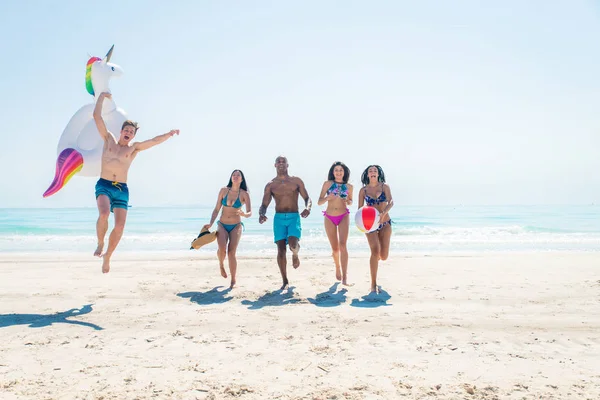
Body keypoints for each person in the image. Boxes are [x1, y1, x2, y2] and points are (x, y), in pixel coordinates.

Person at [93, 92, 180, 273]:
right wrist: (101, 96)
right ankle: (101, 242)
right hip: (104, 184)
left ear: (133, 136)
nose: (128, 133)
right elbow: (97, 117)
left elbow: (154, 141)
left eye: (131, 132)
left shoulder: (134, 148)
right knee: (104, 213)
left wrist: (169, 134)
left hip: (122, 189)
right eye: (126, 130)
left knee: (120, 226)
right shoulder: (108, 139)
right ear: (121, 131)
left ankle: (108, 255)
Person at [259, 156, 311, 290]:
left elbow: (307, 198)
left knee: (293, 244)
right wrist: (262, 214)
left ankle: (295, 254)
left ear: (288, 165)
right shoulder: (271, 185)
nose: (281, 164)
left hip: (294, 217)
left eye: (283, 162)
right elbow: (264, 204)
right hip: (279, 219)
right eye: (278, 162)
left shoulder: (296, 181)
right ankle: (285, 281)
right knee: (281, 250)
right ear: (275, 165)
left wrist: (307, 208)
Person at [202, 170, 252, 288]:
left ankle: (233, 280)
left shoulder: (244, 194)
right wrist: (210, 223)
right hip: (222, 224)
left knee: (231, 252)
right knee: (222, 249)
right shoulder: (224, 190)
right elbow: (217, 209)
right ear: (231, 177)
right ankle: (221, 265)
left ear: (242, 179)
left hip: (236, 226)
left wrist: (244, 214)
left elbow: (250, 212)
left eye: (238, 175)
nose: (235, 177)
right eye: (233, 175)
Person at [357, 165, 394, 293]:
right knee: (374, 251)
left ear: (378, 174)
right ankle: (373, 284)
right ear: (367, 175)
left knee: (383, 256)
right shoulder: (363, 191)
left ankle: (377, 259)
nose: (372, 172)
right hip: (370, 226)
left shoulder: (385, 187)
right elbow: (360, 210)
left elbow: (391, 202)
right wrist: (360, 225)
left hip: (385, 223)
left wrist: (384, 212)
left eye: (375, 171)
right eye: (370, 171)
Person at [317, 161, 354, 285]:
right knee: (335, 249)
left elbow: (350, 201)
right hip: (329, 217)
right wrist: (328, 198)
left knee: (343, 245)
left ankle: (345, 277)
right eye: (336, 170)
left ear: (344, 172)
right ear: (333, 172)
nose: (338, 172)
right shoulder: (328, 184)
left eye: (341, 170)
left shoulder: (349, 187)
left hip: (343, 216)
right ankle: (337, 266)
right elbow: (319, 202)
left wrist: (347, 200)